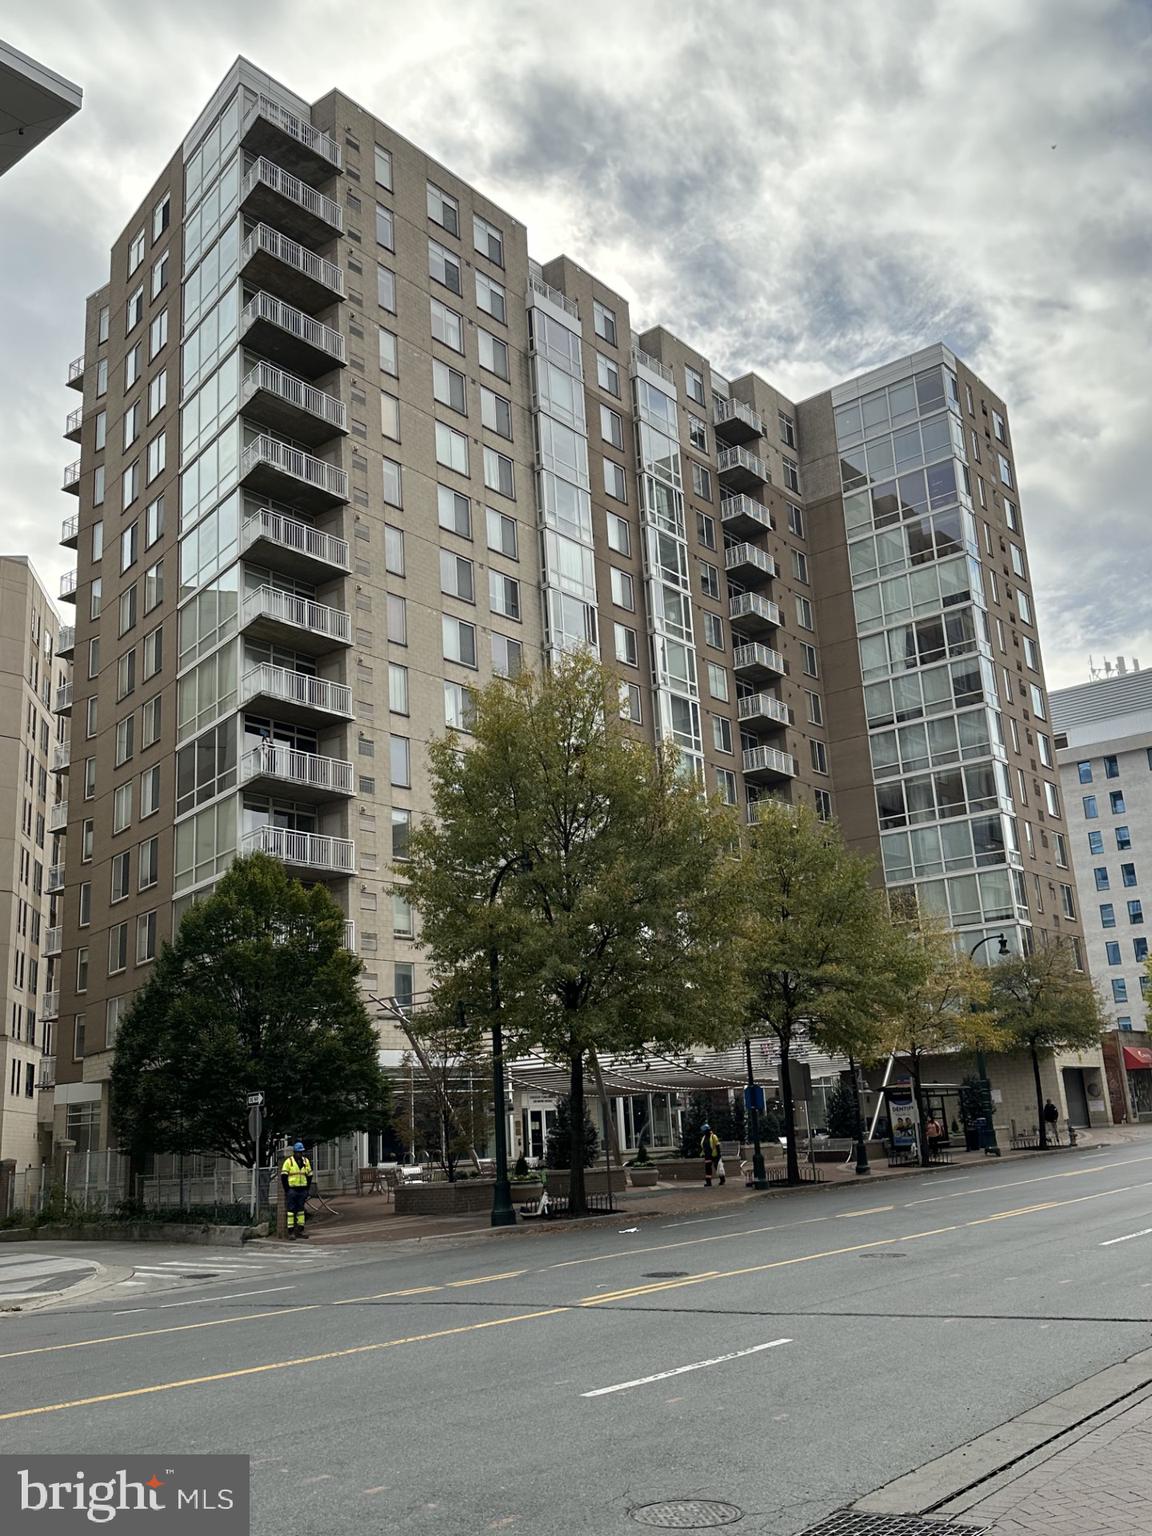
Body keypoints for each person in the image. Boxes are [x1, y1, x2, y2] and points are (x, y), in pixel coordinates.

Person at [280, 1140, 313, 1238]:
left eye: (301, 1152)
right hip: (292, 1190)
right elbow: (284, 1176)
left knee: (301, 1211)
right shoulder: (289, 1162)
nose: (300, 1154)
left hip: (302, 1189)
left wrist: (307, 1189)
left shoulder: (306, 1161)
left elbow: (310, 1175)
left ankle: (300, 1230)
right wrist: (287, 1190)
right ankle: (290, 1232)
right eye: (299, 1152)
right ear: (294, 1152)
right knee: (291, 1211)